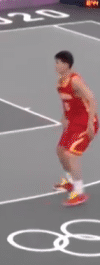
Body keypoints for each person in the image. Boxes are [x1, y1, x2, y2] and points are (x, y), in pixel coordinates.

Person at [53, 51, 98, 206]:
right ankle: (71, 183)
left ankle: (79, 193)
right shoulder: (60, 81)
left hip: (85, 123)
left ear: (66, 64)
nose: (56, 66)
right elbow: (66, 102)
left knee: (71, 155)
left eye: (58, 63)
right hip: (73, 123)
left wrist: (91, 124)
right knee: (60, 151)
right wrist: (64, 116)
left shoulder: (75, 81)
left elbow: (91, 98)